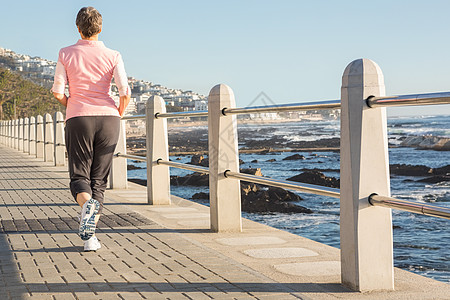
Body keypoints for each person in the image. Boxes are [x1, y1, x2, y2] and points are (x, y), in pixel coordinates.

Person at [52, 6, 131, 251]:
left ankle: (87, 217)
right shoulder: (113, 55)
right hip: (109, 119)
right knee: (99, 181)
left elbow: (57, 92)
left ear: (78, 28)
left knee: (79, 177)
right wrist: (116, 113)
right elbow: (125, 92)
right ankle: (90, 238)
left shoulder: (66, 53)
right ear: (100, 28)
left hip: (78, 118)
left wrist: (72, 105)